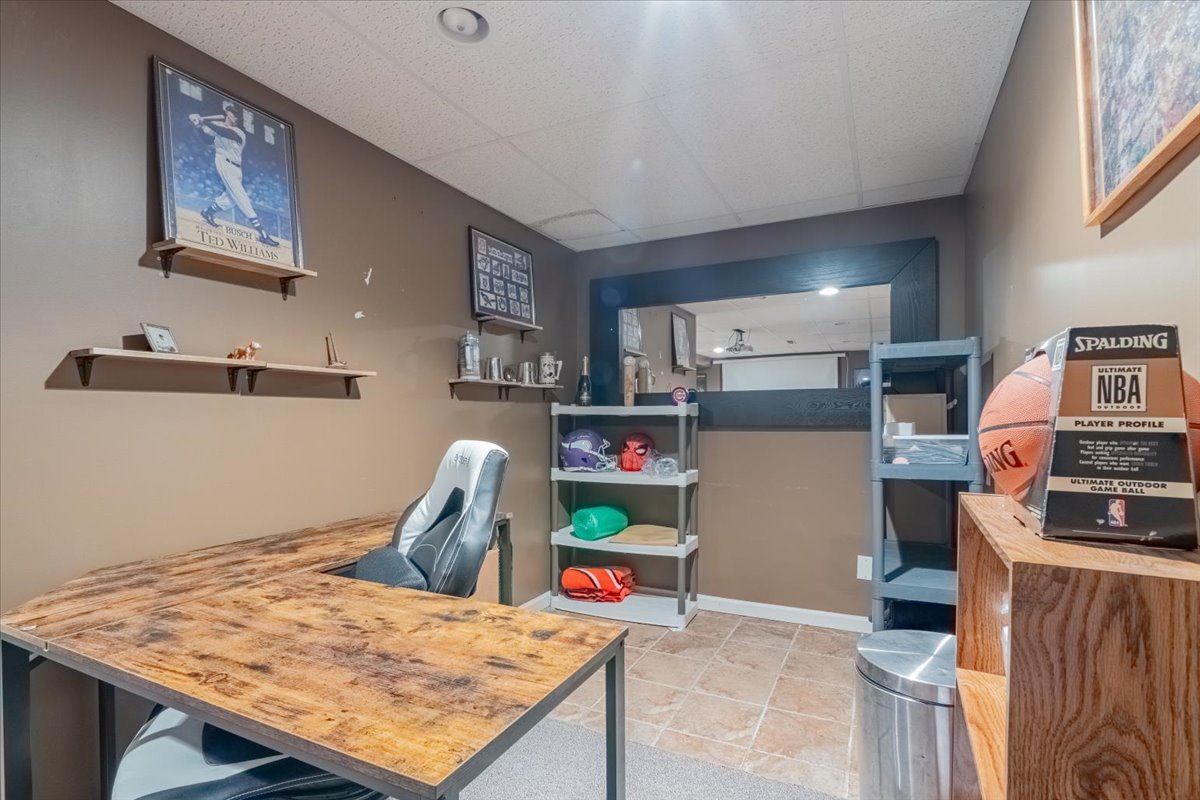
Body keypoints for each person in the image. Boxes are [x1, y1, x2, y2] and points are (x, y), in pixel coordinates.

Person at [189, 100, 279, 247]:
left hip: (237, 169)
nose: (236, 117)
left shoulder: (239, 133)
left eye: (237, 115)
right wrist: (198, 127)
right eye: (233, 113)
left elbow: (224, 132)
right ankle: (263, 234)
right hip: (223, 162)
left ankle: (207, 212)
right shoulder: (218, 127)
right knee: (242, 198)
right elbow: (206, 140)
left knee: (231, 200)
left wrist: (202, 120)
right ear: (228, 114)